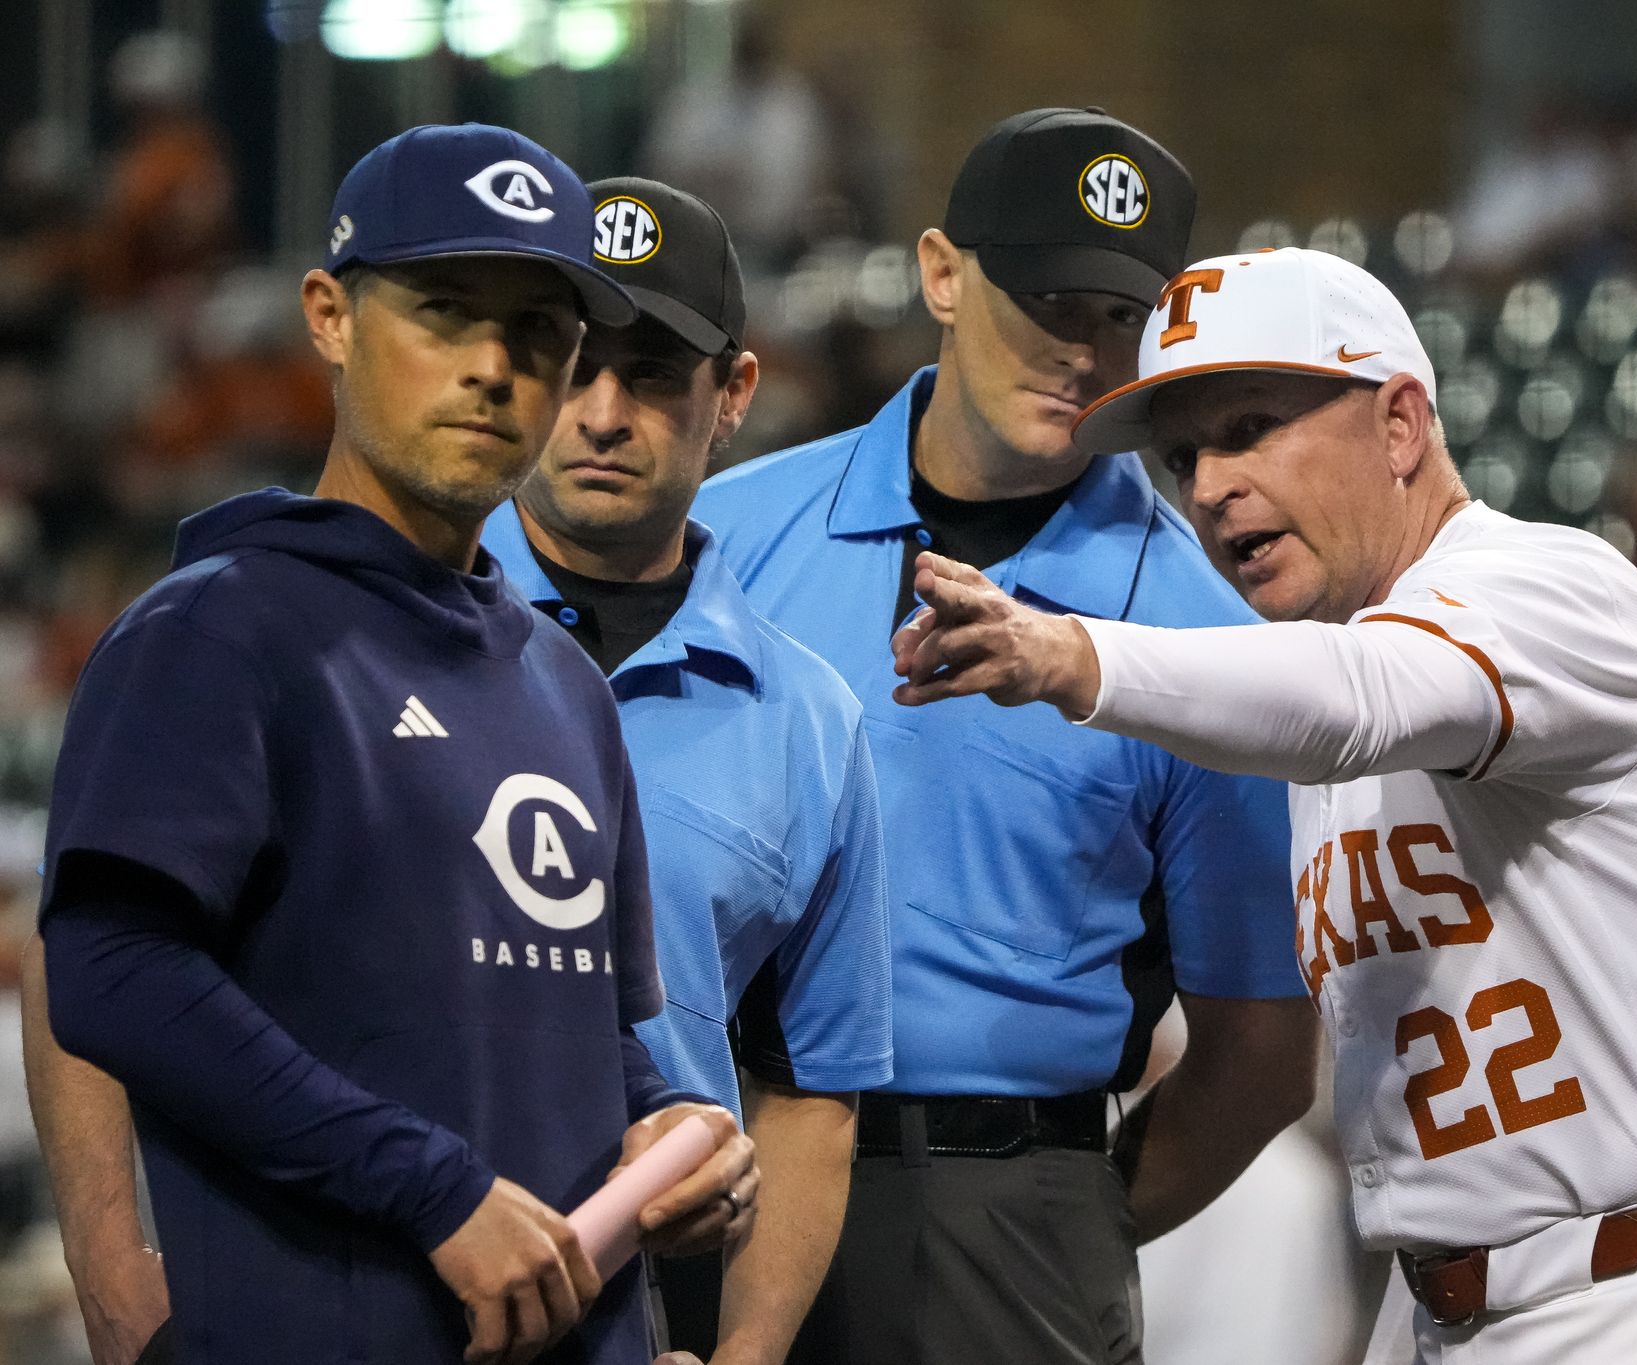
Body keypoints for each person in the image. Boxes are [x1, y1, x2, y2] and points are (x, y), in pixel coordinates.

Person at [888, 246, 1637, 1362]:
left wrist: (1072, 653)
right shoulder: (1330, 703)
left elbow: (1357, 700)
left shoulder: (1549, 588)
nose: (1208, 485)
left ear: (1401, 423)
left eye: (1249, 427)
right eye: (1181, 457)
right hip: (1461, 1306)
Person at [24, 124, 758, 1365]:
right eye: (444, 310)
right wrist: (433, 1190)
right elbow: (112, 967)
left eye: (537, 332)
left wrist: (675, 1133)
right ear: (329, 316)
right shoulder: (218, 627)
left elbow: (578, 1036)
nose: (493, 368)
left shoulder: (561, 683)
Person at [690, 108, 1319, 1365]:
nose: (1082, 353)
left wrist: (1066, 1206)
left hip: (1004, 1197)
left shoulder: (1200, 634)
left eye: (1115, 316)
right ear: (939, 273)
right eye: (1044, 299)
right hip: (719, 1176)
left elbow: (1258, 1051)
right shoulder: (727, 538)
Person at [478, 176, 892, 1365]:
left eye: (654, 373)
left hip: (646, 1309)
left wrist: (748, 1359)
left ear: (734, 397)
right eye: (574, 360)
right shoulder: (371, 624)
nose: (602, 413)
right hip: (353, 1279)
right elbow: (108, 942)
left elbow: (808, 1093)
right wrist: (117, 1267)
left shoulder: (807, 716)